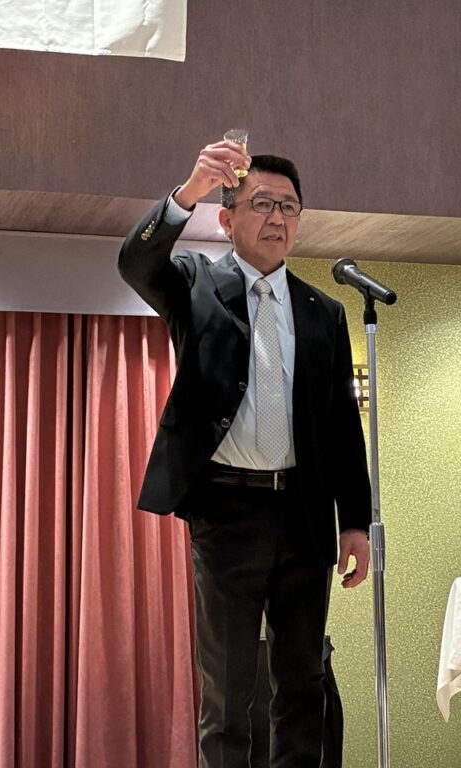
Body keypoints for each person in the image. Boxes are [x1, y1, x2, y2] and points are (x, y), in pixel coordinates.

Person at [118, 139, 372, 768]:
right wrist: (187, 193)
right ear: (227, 219)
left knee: (303, 684)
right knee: (228, 694)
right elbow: (135, 263)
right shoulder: (196, 284)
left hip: (305, 515)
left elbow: (342, 425)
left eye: (289, 207)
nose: (277, 218)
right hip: (226, 514)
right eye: (262, 204)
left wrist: (356, 522)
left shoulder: (324, 311)